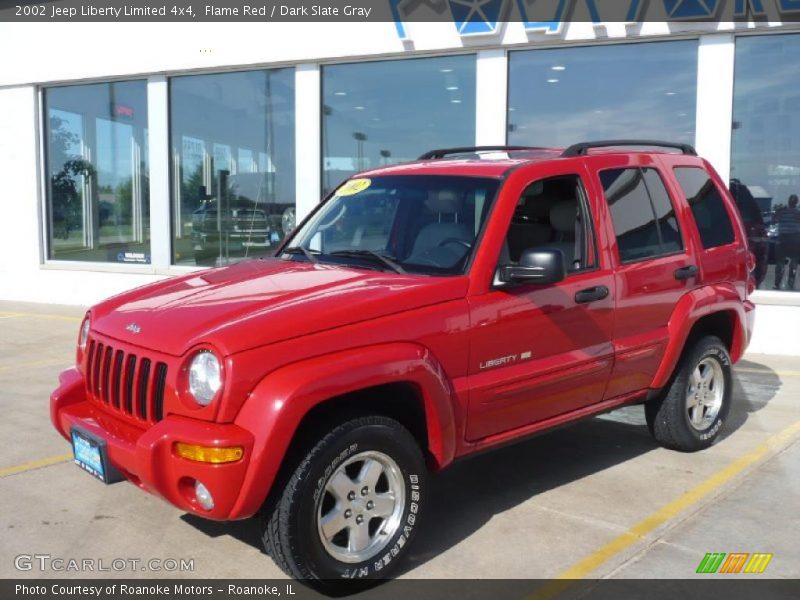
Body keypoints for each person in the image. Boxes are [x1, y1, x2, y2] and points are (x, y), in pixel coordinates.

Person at [774, 194, 800, 290]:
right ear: (796, 202)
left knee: (780, 262)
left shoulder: (782, 211)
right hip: (795, 238)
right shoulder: (798, 212)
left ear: (789, 201)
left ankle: (777, 283)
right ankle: (791, 282)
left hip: (782, 238)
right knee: (794, 261)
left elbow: (775, 219)